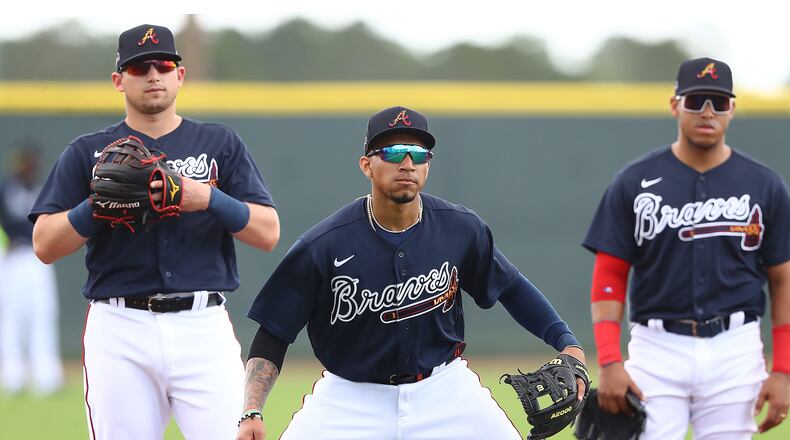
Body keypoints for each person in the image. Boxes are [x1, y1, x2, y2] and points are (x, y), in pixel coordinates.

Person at [237, 105, 587, 440]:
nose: (407, 163)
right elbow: (274, 333)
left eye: (419, 154)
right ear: (366, 165)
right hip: (350, 397)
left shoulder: (460, 228)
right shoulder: (323, 245)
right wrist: (252, 410)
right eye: (392, 152)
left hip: (444, 389)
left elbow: (511, 288)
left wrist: (568, 343)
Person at [29, 24, 280, 440]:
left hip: (203, 326)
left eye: (163, 64)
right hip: (119, 328)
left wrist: (208, 198)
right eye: (139, 67)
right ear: (119, 80)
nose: (153, 75)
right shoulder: (88, 152)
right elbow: (44, 244)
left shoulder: (219, 143)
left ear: (179, 75)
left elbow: (268, 232)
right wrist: (98, 205)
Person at [584, 57, 790, 438]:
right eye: (696, 101)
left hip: (737, 349)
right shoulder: (635, 181)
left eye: (719, 102)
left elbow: (783, 281)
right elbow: (610, 274)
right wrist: (610, 360)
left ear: (732, 109)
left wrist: (783, 370)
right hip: (657, 347)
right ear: (675, 104)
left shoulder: (765, 185)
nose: (708, 112)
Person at [0, 144, 64, 395]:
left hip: (39, 259)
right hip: (14, 257)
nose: (29, 166)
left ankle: (46, 375)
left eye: (32, 161)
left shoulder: (42, 188)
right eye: (26, 161)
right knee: (11, 316)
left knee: (43, 314)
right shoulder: (6, 188)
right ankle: (13, 375)